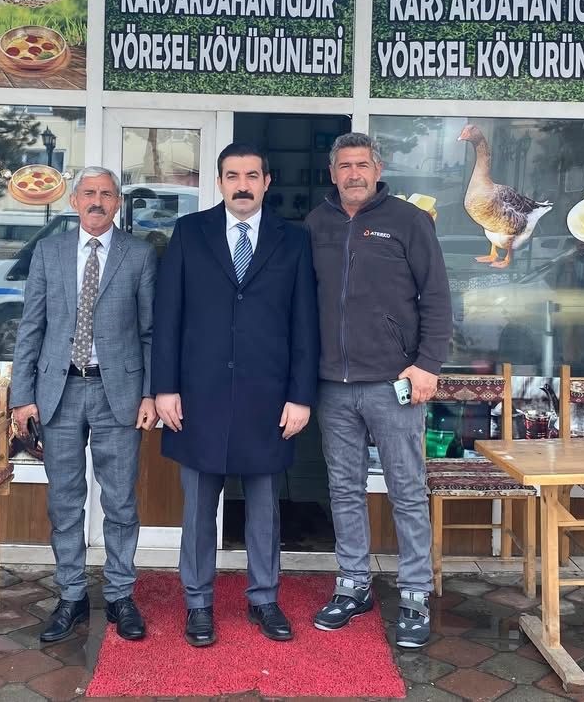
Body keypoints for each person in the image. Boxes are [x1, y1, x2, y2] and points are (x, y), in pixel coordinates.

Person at [152, 142, 319, 647]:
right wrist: (164, 388)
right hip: (197, 396)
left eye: (251, 176)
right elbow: (168, 316)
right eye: (232, 176)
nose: (241, 185)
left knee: (264, 509)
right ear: (220, 182)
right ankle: (198, 603)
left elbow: (305, 324)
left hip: (268, 398)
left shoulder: (293, 240)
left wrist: (301, 396)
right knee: (198, 510)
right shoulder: (189, 232)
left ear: (267, 182)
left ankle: (264, 598)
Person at [304, 132, 452, 649]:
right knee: (343, 489)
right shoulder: (316, 224)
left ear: (378, 168)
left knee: (406, 490)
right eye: (344, 166)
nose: (353, 174)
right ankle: (353, 584)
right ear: (332, 173)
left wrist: (427, 365)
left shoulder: (409, 221)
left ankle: (414, 593)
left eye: (362, 164)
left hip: (395, 384)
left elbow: (437, 298)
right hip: (333, 385)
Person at [9, 166, 158, 644]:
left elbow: (150, 332)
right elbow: (31, 325)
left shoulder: (139, 254)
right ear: (74, 201)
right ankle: (71, 596)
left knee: (120, 501)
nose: (97, 201)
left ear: (118, 203)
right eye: (89, 193)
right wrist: (22, 396)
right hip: (60, 391)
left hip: (119, 394)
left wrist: (149, 393)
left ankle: (120, 595)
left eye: (107, 194)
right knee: (65, 501)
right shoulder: (49, 252)